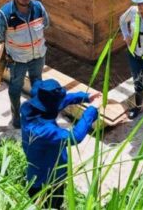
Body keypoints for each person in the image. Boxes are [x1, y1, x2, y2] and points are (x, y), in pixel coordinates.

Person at [21, 79, 99, 209]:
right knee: (52, 204)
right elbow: (75, 136)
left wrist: (86, 97)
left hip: (36, 173)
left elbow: (59, 102)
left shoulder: (29, 109)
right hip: (47, 181)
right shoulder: (45, 131)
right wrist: (92, 109)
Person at [0, 0, 50, 129]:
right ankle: (16, 117)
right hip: (17, 60)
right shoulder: (4, 14)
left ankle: (37, 114)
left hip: (38, 57)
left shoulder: (38, 8)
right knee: (15, 88)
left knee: (37, 85)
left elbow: (46, 24)